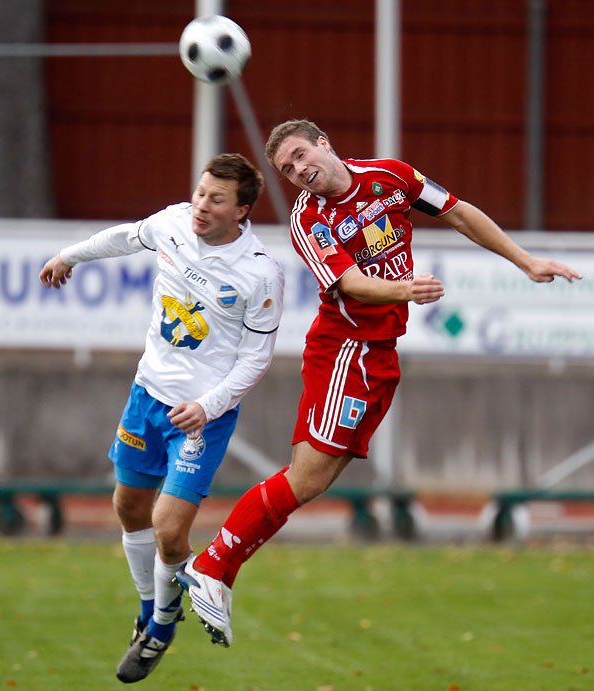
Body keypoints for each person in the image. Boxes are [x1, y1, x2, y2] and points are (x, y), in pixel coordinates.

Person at [176, 119, 583, 647]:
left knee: (314, 481)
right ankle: (213, 566)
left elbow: (458, 211)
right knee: (305, 476)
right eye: (288, 170)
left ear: (325, 143)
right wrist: (401, 290)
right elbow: (347, 283)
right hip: (346, 350)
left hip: (379, 355)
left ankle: (218, 572)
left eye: (302, 155)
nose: (300, 171)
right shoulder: (310, 220)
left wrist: (524, 261)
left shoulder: (392, 176)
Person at [39, 153, 284, 683]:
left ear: (241, 210)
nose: (201, 205)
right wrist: (70, 256)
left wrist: (207, 406)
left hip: (201, 417)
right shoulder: (173, 223)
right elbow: (126, 237)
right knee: (128, 506)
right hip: (147, 396)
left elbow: (256, 358)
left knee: (169, 531)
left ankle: (164, 625)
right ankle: (149, 610)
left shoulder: (260, 272)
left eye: (216, 199)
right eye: (200, 192)